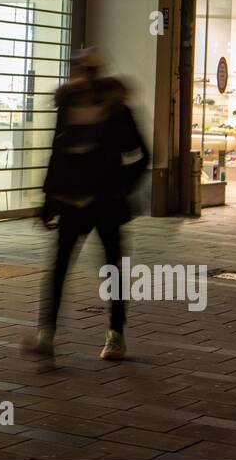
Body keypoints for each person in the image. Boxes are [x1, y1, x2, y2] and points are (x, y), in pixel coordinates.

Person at [22, 49, 148, 362]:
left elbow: (142, 154)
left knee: (112, 269)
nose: (82, 76)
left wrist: (121, 187)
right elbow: (57, 154)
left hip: (105, 202)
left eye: (88, 70)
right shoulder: (66, 107)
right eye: (78, 70)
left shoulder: (117, 111)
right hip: (71, 202)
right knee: (59, 268)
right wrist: (48, 199)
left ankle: (115, 335)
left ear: (97, 73)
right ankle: (46, 334)